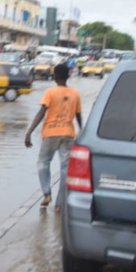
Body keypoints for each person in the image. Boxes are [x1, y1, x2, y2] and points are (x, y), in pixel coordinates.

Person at [24, 65, 83, 211]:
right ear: (68, 76)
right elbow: (78, 116)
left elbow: (41, 113)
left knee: (43, 163)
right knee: (65, 169)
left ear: (55, 77)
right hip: (68, 134)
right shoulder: (75, 93)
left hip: (50, 133)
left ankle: (46, 194)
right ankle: (59, 204)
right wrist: (82, 132)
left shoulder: (50, 92)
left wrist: (29, 132)